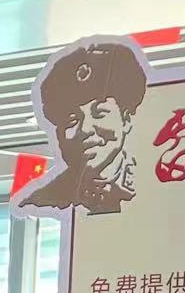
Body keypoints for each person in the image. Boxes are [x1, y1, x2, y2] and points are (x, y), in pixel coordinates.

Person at [16, 39, 149, 215]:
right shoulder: (41, 204)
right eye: (72, 120)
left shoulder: (156, 184)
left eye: (100, 113)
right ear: (59, 135)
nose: (85, 129)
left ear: (126, 120)